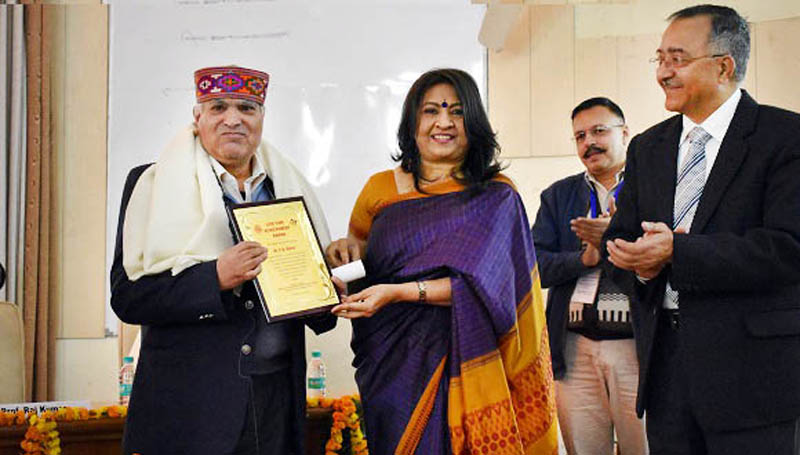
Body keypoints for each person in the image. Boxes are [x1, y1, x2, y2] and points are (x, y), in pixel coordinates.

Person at [325, 68, 558, 455]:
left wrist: (401, 292)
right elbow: (363, 254)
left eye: (457, 111)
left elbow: (491, 288)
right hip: (392, 362)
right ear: (413, 121)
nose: (444, 122)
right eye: (431, 110)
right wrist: (343, 252)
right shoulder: (379, 188)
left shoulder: (497, 196)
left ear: (475, 121)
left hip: (467, 354)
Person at [603, 5, 800, 454]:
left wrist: (677, 252)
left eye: (677, 59)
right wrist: (641, 267)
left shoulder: (784, 136)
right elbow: (619, 239)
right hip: (666, 374)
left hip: (753, 377)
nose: (663, 73)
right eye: (660, 59)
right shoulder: (648, 147)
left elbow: (788, 247)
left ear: (724, 67)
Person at [111, 65, 336, 455]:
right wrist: (213, 278)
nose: (233, 119)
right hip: (189, 412)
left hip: (274, 408)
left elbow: (317, 312)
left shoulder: (289, 187)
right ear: (197, 118)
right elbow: (128, 299)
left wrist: (332, 285)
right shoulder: (153, 183)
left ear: (261, 118)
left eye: (246, 108)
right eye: (218, 107)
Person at [532, 97, 647, 454]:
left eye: (599, 131)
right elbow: (534, 266)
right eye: (580, 136)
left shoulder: (652, 187)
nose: (589, 143)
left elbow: (667, 256)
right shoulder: (558, 196)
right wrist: (584, 258)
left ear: (624, 133)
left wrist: (615, 241)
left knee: (644, 447)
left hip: (638, 345)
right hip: (574, 347)